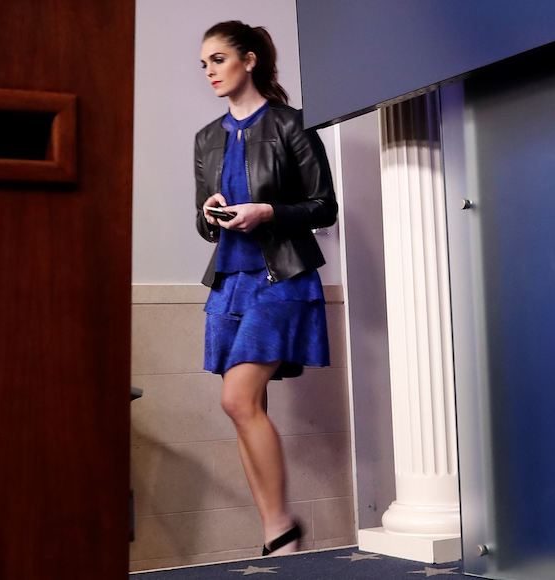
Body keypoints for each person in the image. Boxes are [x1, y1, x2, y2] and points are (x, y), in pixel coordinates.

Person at [194, 20, 337, 557]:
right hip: (229, 282)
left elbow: (325, 205)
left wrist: (269, 211)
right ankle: (276, 539)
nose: (209, 71)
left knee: (237, 398)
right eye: (204, 63)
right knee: (242, 406)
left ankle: (281, 529)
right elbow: (204, 220)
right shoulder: (207, 138)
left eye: (218, 59)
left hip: (281, 277)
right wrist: (209, 215)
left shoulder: (292, 125)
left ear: (248, 60)